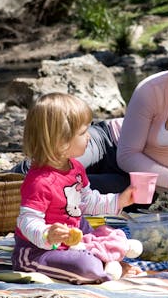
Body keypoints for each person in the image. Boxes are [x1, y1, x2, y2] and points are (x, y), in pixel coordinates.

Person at [14, 13, 168, 198]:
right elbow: (127, 155)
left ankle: (11, 196)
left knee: (66, 189)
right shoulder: (151, 88)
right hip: (107, 143)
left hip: (143, 180)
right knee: (50, 163)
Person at [12, 93, 143, 284]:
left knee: (108, 232)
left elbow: (87, 201)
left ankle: (105, 258)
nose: (89, 137)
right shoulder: (39, 181)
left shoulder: (75, 167)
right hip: (39, 249)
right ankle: (105, 264)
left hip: (74, 236)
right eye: (82, 133)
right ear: (60, 141)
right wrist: (48, 234)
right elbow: (27, 221)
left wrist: (119, 200)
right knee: (85, 267)